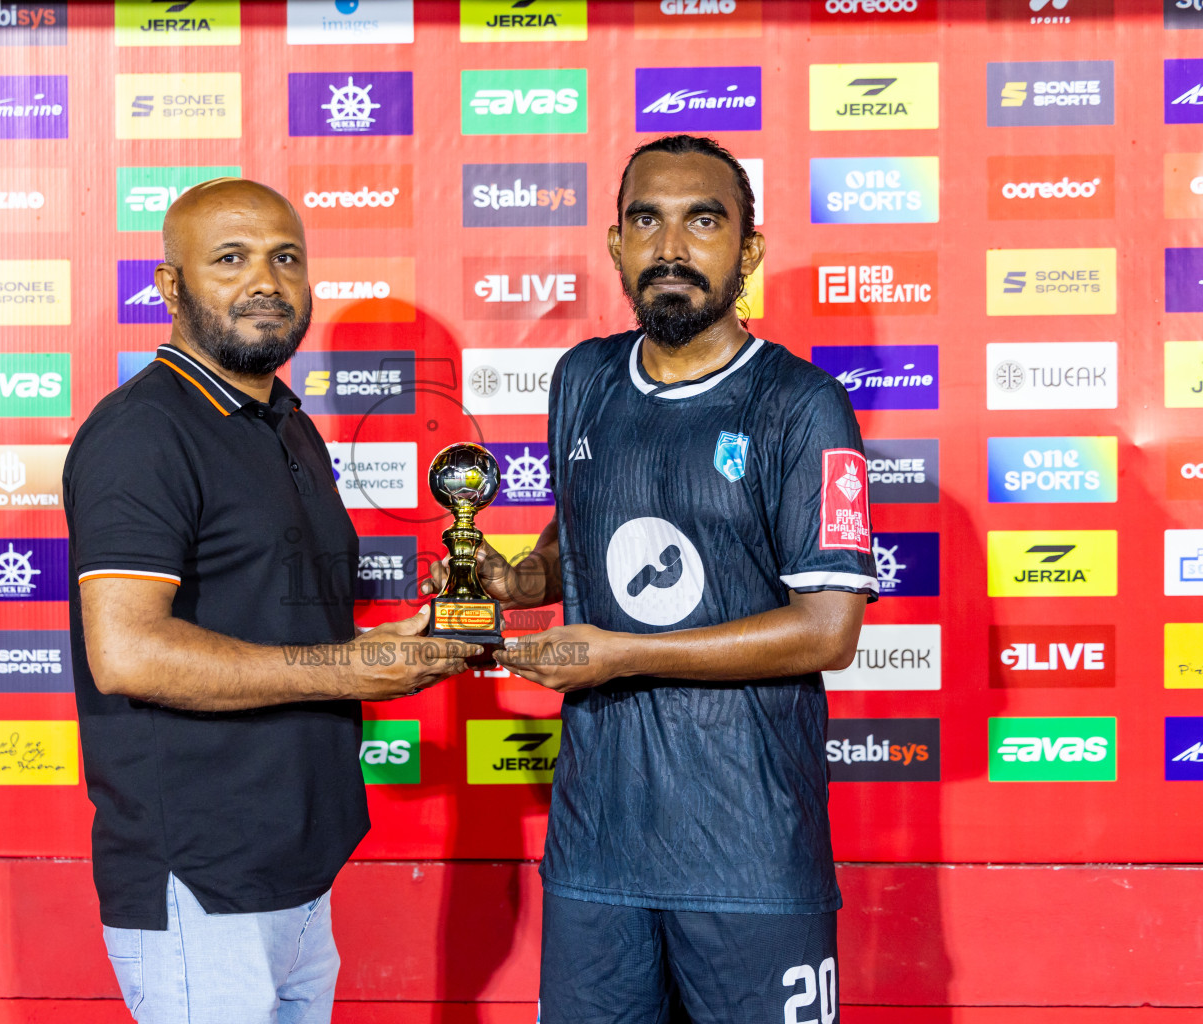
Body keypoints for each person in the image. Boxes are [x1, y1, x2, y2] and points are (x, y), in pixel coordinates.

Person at [424, 135, 877, 1023]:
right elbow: (579, 533)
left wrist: (621, 655)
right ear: (616, 245)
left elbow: (828, 631)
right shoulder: (582, 378)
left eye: (703, 221)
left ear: (748, 250)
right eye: (648, 220)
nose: (672, 247)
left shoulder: (802, 404)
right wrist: (514, 579)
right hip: (598, 854)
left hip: (751, 854)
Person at [64, 178, 479, 1024]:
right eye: (230, 260)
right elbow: (129, 653)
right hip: (204, 878)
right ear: (169, 286)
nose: (267, 280)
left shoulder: (284, 419)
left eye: (285, 258)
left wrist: (403, 642)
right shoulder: (143, 433)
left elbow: (275, 615)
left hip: (297, 867)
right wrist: (350, 669)